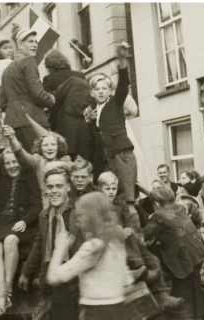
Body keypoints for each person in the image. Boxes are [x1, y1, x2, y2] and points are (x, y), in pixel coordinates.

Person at [98, 172, 184, 313]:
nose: (111, 192)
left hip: (126, 242)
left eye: (114, 188)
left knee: (154, 259)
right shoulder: (97, 204)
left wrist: (128, 228)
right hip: (111, 245)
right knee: (131, 239)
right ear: (100, 189)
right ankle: (138, 267)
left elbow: (129, 220)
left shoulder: (120, 203)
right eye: (108, 189)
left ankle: (163, 296)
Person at [46, 192, 134, 320]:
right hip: (120, 311)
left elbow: (53, 278)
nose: (78, 220)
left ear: (91, 217)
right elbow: (128, 283)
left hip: (96, 314)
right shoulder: (116, 242)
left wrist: (59, 249)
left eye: (80, 215)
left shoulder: (92, 247)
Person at [0, 128, 42, 316]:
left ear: (20, 163)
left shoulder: (28, 176)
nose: (12, 166)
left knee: (10, 241)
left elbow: (37, 205)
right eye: (8, 163)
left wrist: (25, 221)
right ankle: (1, 296)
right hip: (1, 223)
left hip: (21, 223)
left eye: (14, 162)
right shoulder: (1, 178)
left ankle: (5, 294)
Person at [19, 168, 83, 320]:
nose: (54, 191)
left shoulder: (81, 212)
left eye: (59, 186)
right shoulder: (44, 215)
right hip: (53, 280)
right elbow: (39, 245)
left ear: (68, 187)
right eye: (50, 187)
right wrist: (26, 272)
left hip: (76, 280)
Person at [144, 186, 204, 320]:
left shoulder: (158, 216)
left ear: (157, 204)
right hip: (196, 255)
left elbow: (143, 236)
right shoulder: (180, 208)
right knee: (192, 298)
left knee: (178, 302)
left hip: (182, 263)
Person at [86, 39, 137, 208]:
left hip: (122, 153)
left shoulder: (114, 104)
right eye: (97, 89)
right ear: (92, 93)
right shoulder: (96, 111)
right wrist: (92, 122)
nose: (101, 91)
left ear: (109, 91)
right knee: (114, 196)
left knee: (128, 196)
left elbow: (123, 85)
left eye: (104, 88)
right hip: (108, 156)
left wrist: (122, 61)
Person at [0, 24, 55, 153]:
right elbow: (37, 93)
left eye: (36, 42)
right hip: (31, 119)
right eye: (30, 42)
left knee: (24, 161)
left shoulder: (7, 70)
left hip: (13, 123)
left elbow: (2, 103)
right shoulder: (29, 61)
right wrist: (51, 99)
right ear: (20, 45)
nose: (35, 45)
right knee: (39, 159)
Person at [3, 124, 72, 209]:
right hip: (44, 206)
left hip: (64, 204)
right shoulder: (38, 161)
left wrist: (59, 164)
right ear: (40, 147)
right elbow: (22, 155)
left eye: (53, 145)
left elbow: (74, 168)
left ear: (58, 147)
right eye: (45, 145)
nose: (49, 148)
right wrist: (12, 138)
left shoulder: (65, 160)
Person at [53, 72, 96, 161]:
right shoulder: (95, 94)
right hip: (84, 131)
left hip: (67, 126)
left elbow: (58, 94)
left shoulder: (74, 81)